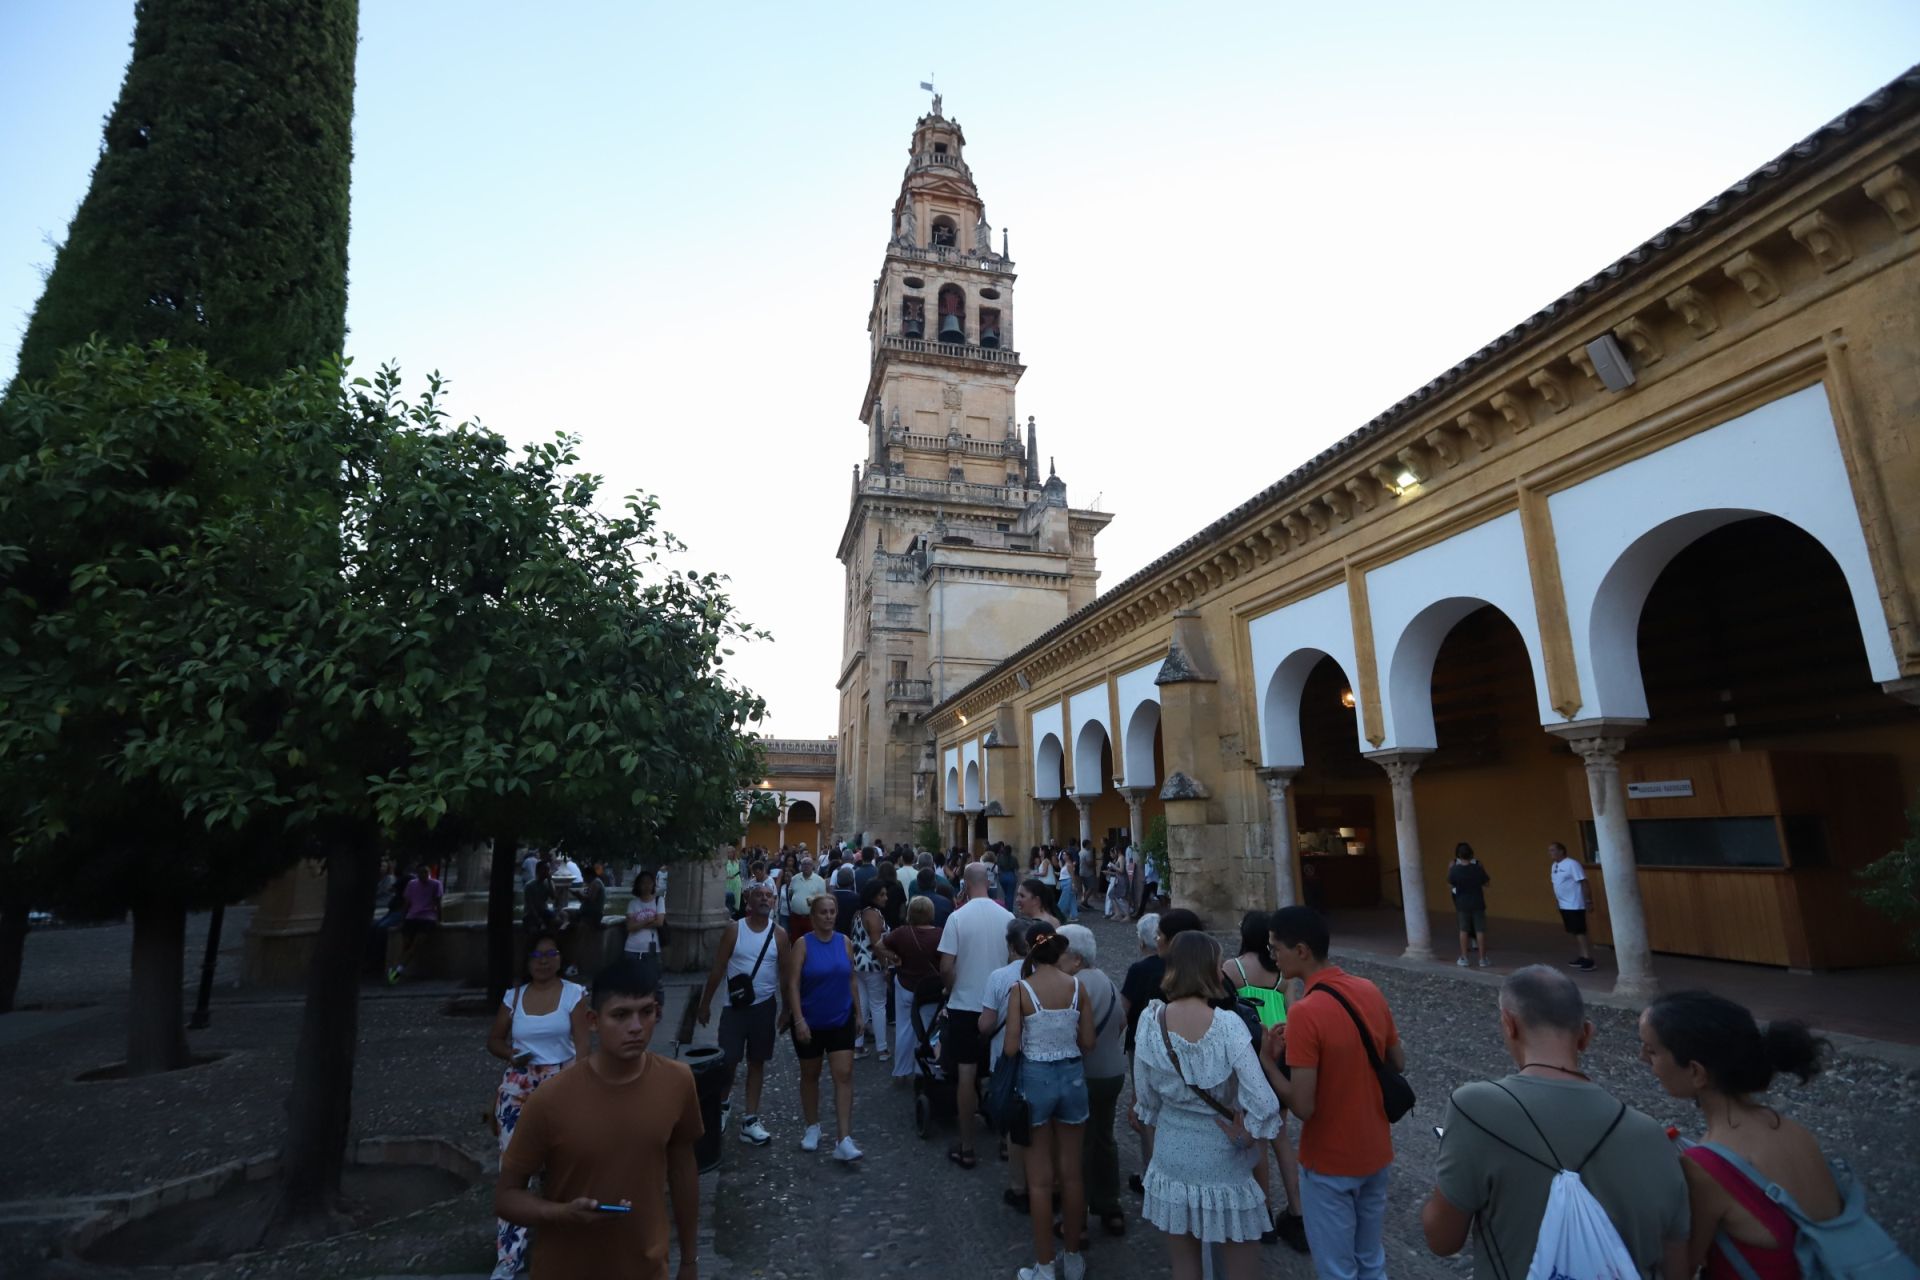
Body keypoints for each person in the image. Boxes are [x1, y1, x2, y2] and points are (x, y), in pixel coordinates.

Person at [1424, 966, 1689, 1280]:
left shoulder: (1475, 1108)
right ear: (1586, 1034)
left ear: (1509, 1024)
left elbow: (1442, 1239)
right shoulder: (1654, 1137)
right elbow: (1677, 1267)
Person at [495, 957, 701, 1280]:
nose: (636, 1027)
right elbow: (506, 1198)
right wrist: (561, 1213)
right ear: (593, 1020)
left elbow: (683, 1169)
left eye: (646, 1012)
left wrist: (689, 1260)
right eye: (620, 1015)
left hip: (646, 1269)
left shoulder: (678, 1082)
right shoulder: (550, 1100)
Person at [1641, 991, 1842, 1280]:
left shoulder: (1705, 1166)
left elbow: (1682, 1265)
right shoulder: (1794, 1130)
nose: (1643, 1060)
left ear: (1696, 1072)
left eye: (1652, 1051)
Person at [1261, 906, 1404, 1280]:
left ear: (1302, 950)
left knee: (1337, 1269)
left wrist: (1268, 1064)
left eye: (1277, 948)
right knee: (1371, 1260)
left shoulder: (1306, 1013)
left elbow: (1304, 1106)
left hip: (1329, 1159)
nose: (1272, 955)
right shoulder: (1367, 989)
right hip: (1375, 1149)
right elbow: (1397, 1062)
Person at [1133, 930, 1281, 1280]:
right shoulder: (1227, 1026)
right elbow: (1264, 1102)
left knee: (1185, 1266)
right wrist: (1248, 1132)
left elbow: (1146, 1099)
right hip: (1221, 1154)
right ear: (1208, 970)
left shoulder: (1150, 1021)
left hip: (1172, 1153)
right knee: (1240, 1260)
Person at [487, 931, 591, 1280]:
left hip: (560, 1084)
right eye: (536, 955)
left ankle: (564, 1243)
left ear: (560, 958)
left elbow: (582, 1049)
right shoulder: (513, 997)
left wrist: (576, 1091)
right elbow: (494, 1040)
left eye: (550, 954)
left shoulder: (574, 996)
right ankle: (509, 1257)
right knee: (513, 1171)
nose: (543, 961)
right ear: (526, 961)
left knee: (562, 1168)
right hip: (518, 1086)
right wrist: (512, 1055)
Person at [1005, 925, 1096, 1280]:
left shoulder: (1021, 990)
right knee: (1072, 1176)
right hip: (1072, 1077)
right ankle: (1072, 1258)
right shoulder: (1078, 987)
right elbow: (1087, 1039)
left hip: (1036, 1078)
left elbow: (1012, 1046)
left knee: (1040, 1181)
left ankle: (1044, 1266)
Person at [1224, 911, 1307, 1252]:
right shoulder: (1284, 976)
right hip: (1281, 1055)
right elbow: (1294, 1015)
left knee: (1257, 1137)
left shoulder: (1233, 969)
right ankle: (1298, 1209)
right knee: (1281, 1136)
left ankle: (1264, 1213)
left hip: (1250, 1056)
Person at [696, 882, 786, 1148]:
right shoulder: (735, 930)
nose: (764, 899)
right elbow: (718, 968)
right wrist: (705, 1003)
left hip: (764, 1006)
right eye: (759, 894)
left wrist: (789, 1010)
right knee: (728, 1062)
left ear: (774, 902)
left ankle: (750, 1119)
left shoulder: (779, 935)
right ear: (748, 899)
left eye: (769, 896)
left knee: (757, 1061)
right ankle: (722, 1106)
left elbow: (787, 974)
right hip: (734, 1008)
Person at [1121, 909, 1203, 1194]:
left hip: (1146, 1050)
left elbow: (1123, 1013)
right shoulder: (1208, 973)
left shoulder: (1142, 970)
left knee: (1150, 1112)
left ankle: (1154, 1174)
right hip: (1194, 1052)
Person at [937, 861, 1013, 1169]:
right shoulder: (1008, 918)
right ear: (989, 883)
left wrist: (950, 988)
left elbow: (945, 967)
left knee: (966, 1077)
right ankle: (1007, 1142)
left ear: (965, 885)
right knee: (1003, 1074)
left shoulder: (957, 918)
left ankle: (968, 1146)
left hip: (965, 1005)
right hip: (1000, 1009)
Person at [1058, 923, 1128, 1238]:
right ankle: (1111, 1205)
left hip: (1083, 1075)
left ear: (1075, 958)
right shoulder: (1106, 980)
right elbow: (1123, 1019)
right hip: (1112, 1072)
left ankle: (1078, 1218)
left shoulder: (1072, 986)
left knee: (1079, 1147)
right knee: (1105, 1139)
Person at [781, 893, 863, 1161]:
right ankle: (812, 1126)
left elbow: (851, 979)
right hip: (811, 1021)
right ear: (813, 916)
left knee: (844, 1075)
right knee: (810, 1075)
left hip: (840, 1018)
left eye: (831, 911)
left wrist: (859, 1013)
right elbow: (792, 983)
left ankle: (844, 1137)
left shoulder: (845, 942)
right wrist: (798, 1018)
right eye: (823, 912)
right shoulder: (802, 945)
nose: (828, 916)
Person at [881, 895, 943, 1081]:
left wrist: (894, 958)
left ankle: (901, 1070)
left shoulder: (901, 933)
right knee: (929, 1030)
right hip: (930, 990)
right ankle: (925, 1070)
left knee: (904, 1028)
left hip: (906, 985)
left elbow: (879, 945)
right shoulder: (940, 934)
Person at [853, 878, 891, 1061]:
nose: (886, 897)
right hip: (873, 965)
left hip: (857, 964)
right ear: (873, 896)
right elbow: (877, 944)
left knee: (862, 1004)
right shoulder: (874, 915)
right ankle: (882, 1049)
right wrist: (886, 965)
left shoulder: (859, 914)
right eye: (882, 894)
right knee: (878, 1005)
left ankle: (858, 1046)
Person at [388, 860, 442, 984]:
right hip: (411, 918)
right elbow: (407, 904)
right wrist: (402, 920)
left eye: (426, 872)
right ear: (417, 874)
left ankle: (396, 972)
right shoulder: (412, 884)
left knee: (414, 946)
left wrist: (439, 919)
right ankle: (395, 969)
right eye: (422, 872)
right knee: (406, 946)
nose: (425, 875)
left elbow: (438, 903)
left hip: (427, 919)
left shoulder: (436, 884)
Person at [1549, 841, 1595, 971]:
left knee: (1580, 931)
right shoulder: (1554, 866)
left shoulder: (1572, 864)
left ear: (1561, 851)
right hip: (1564, 904)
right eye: (1550, 851)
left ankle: (1588, 958)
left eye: (1553, 850)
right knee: (1574, 931)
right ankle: (1582, 956)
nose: (1550, 853)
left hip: (1575, 904)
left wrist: (1588, 900)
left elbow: (1584, 882)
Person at [1449, 842, 1492, 968]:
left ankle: (1464, 957)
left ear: (1459, 855)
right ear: (1471, 854)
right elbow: (1487, 883)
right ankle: (1482, 959)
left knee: (1463, 930)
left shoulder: (1455, 870)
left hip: (1462, 903)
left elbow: (1451, 884)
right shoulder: (1477, 868)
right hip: (1478, 902)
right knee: (1480, 930)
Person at [625, 869, 667, 985]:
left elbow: (659, 922)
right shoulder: (633, 903)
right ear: (638, 885)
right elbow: (629, 927)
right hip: (632, 948)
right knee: (632, 982)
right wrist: (648, 920)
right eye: (643, 883)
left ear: (654, 884)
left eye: (649, 882)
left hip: (652, 948)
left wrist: (638, 923)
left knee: (654, 982)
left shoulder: (659, 901)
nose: (646, 886)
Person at [785, 857, 828, 939]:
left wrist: (814, 901)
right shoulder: (795, 879)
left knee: (810, 941)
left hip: (811, 918)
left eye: (809, 864)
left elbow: (823, 899)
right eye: (804, 864)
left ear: (813, 866)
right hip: (795, 917)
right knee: (795, 941)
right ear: (801, 866)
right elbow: (790, 894)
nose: (806, 866)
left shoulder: (820, 880)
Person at [1055, 848, 1079, 923]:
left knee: (1063, 899)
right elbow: (1064, 874)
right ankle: (1074, 915)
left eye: (1064, 854)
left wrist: (1073, 885)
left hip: (1067, 882)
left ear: (1068, 856)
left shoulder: (1069, 865)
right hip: (1064, 882)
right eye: (1062, 854)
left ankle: (1058, 914)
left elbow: (1072, 876)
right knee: (1072, 900)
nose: (1063, 856)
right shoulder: (1065, 864)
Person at [722, 851, 743, 917]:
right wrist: (728, 876)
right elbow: (721, 874)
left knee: (737, 899)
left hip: (737, 882)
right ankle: (729, 914)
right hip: (728, 882)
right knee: (729, 898)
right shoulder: (724, 862)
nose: (729, 854)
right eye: (728, 852)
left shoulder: (737, 861)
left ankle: (734, 914)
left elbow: (740, 871)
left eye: (731, 852)